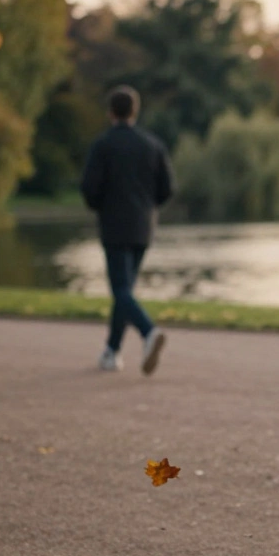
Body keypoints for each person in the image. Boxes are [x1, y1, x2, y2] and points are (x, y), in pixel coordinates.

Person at [79, 85, 172, 375]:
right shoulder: (152, 144)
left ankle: (148, 332)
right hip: (143, 226)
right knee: (125, 291)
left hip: (114, 225)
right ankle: (111, 351)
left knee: (120, 289)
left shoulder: (103, 145)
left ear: (110, 112)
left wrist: (100, 205)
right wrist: (148, 206)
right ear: (135, 111)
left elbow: (89, 188)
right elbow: (167, 188)